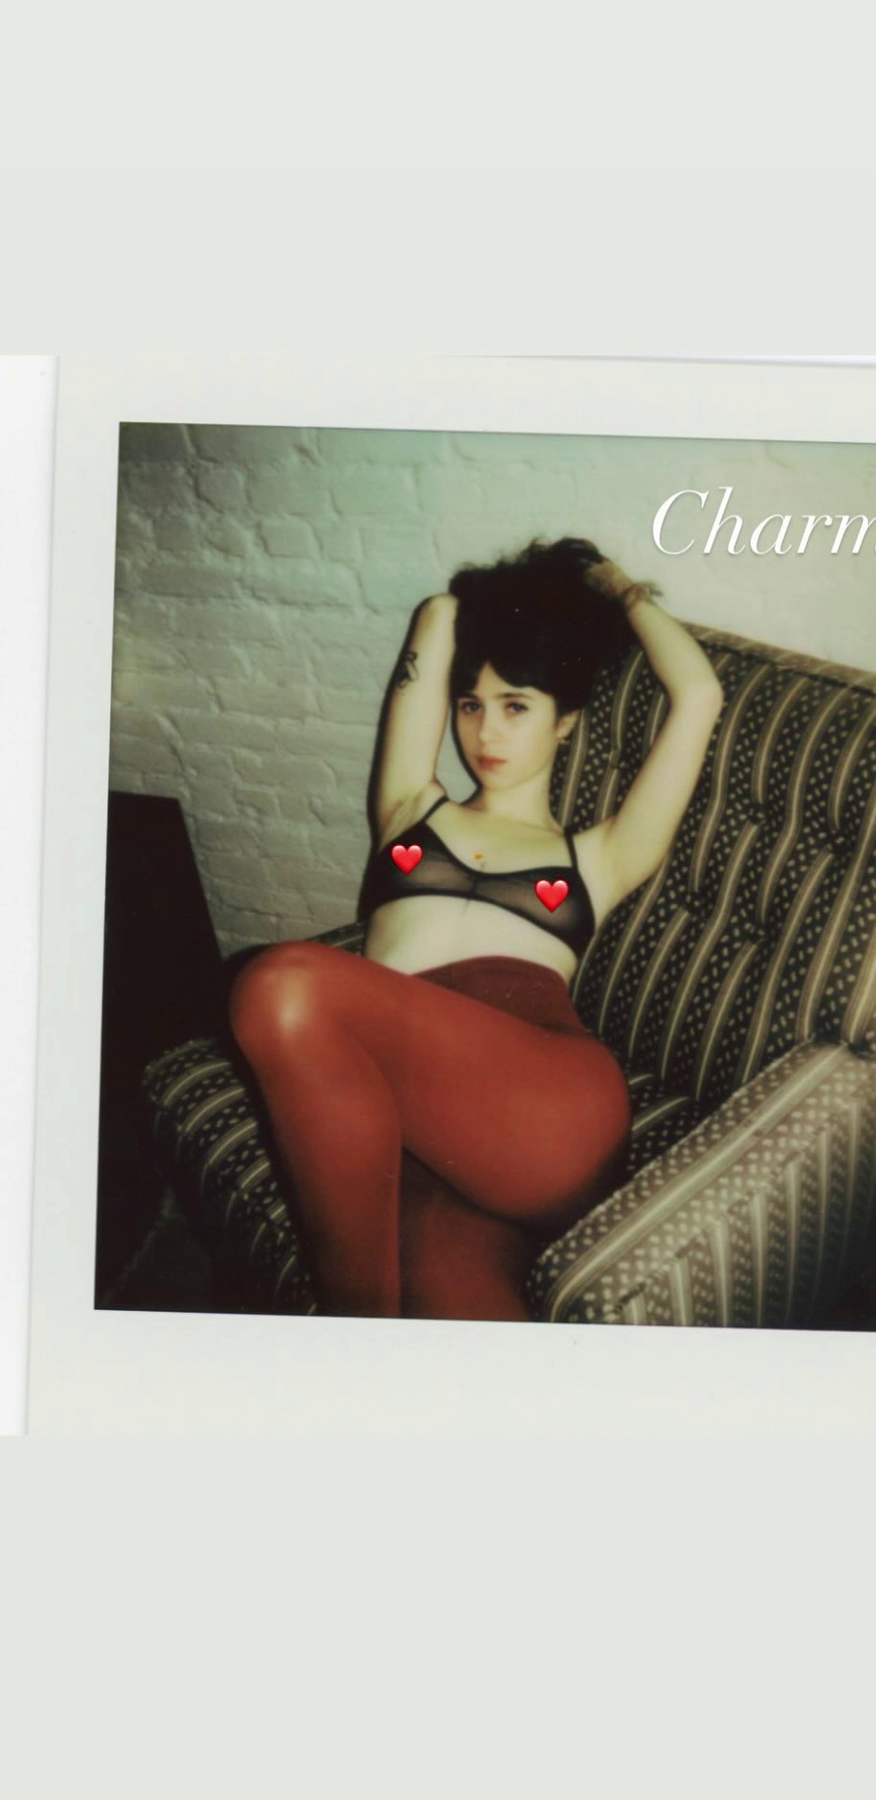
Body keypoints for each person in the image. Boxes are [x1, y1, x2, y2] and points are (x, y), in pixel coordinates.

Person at [228, 537, 724, 1322]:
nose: (486, 734)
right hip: (426, 1137)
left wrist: (619, 590)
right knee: (453, 1317)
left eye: (516, 706)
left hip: (545, 1107)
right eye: (471, 705)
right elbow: (435, 620)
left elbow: (697, 695)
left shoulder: (599, 857)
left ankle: (346, 1340)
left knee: (281, 985)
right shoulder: (410, 809)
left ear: (565, 722)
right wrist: (474, 600)